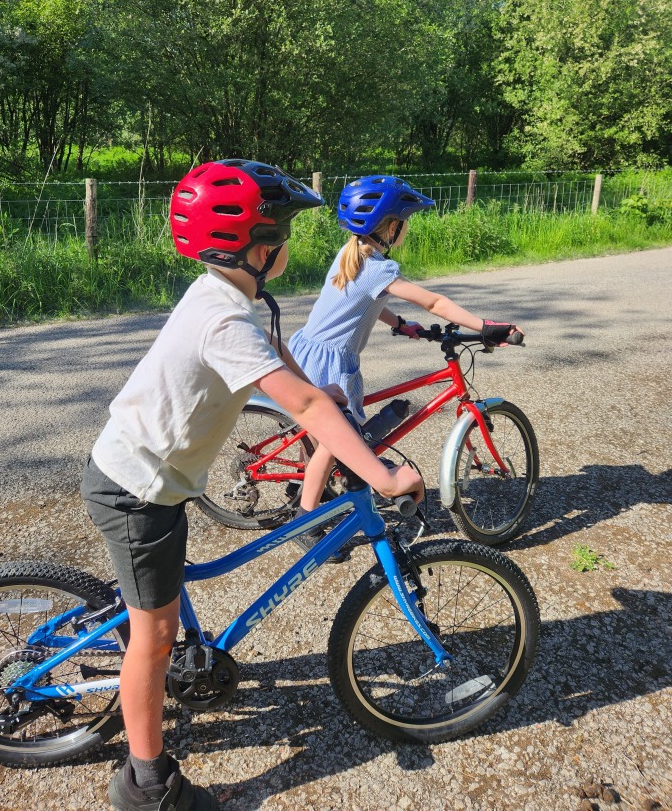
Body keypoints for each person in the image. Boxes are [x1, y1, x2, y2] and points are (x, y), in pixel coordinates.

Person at [81, 160, 425, 811]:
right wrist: (381, 473)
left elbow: (285, 361)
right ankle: (145, 784)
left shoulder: (236, 296)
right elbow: (306, 408)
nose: (292, 242)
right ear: (260, 248)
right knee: (152, 639)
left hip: (158, 477)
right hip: (137, 490)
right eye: (287, 230)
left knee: (161, 610)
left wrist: (316, 385)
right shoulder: (225, 322)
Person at [288, 174, 523, 554]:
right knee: (335, 440)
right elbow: (433, 303)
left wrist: (399, 324)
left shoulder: (352, 254)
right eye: (405, 223)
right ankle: (305, 519)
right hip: (330, 363)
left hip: (308, 351)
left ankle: (333, 485)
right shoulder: (379, 269)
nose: (406, 230)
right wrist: (486, 326)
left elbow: (365, 303)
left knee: (327, 436)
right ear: (392, 225)